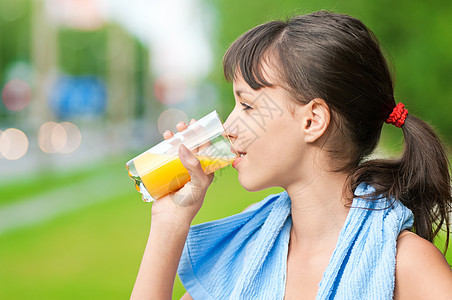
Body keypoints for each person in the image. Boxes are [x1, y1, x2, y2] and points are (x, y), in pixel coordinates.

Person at [130, 10, 452, 299]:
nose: (228, 127)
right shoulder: (245, 255)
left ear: (312, 120)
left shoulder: (406, 266)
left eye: (247, 105)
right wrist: (169, 222)